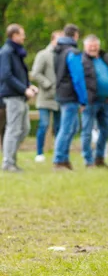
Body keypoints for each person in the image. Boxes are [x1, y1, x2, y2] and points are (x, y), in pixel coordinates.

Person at [72, 35, 108, 168]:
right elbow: (78, 80)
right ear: (85, 47)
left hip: (105, 101)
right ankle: (88, 160)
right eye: (90, 46)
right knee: (87, 131)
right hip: (90, 101)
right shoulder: (82, 60)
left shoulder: (104, 58)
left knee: (107, 129)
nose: (93, 48)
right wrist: (81, 99)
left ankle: (99, 156)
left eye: (95, 45)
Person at [1, 24, 39, 173]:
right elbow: (6, 75)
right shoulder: (6, 52)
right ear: (14, 35)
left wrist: (30, 86)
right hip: (12, 96)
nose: (24, 37)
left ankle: (10, 158)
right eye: (22, 34)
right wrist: (24, 89)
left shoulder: (17, 52)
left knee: (24, 129)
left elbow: (20, 74)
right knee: (13, 129)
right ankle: (8, 163)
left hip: (20, 96)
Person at [52, 24, 82, 171]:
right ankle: (59, 160)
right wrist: (83, 98)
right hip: (70, 94)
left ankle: (64, 158)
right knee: (66, 128)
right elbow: (77, 77)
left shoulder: (57, 51)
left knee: (73, 127)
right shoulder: (72, 53)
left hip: (61, 92)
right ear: (75, 35)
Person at [30, 30, 62, 161]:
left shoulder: (63, 55)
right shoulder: (43, 54)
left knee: (59, 126)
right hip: (45, 97)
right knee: (44, 124)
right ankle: (39, 153)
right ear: (52, 40)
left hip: (59, 97)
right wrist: (47, 84)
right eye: (59, 40)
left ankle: (59, 152)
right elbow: (35, 73)